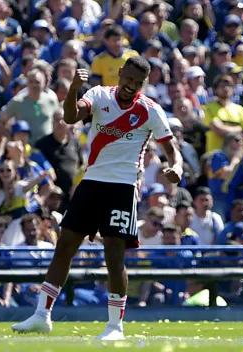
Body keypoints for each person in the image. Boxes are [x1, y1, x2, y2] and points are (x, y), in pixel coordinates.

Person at [12, 56, 183, 340]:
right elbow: (70, 117)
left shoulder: (150, 110)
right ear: (119, 73)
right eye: (128, 79)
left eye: (138, 83)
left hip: (123, 187)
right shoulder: (99, 95)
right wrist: (74, 89)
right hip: (91, 183)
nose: (131, 86)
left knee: (114, 255)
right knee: (65, 244)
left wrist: (175, 167)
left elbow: (172, 151)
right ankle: (41, 315)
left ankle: (115, 326)